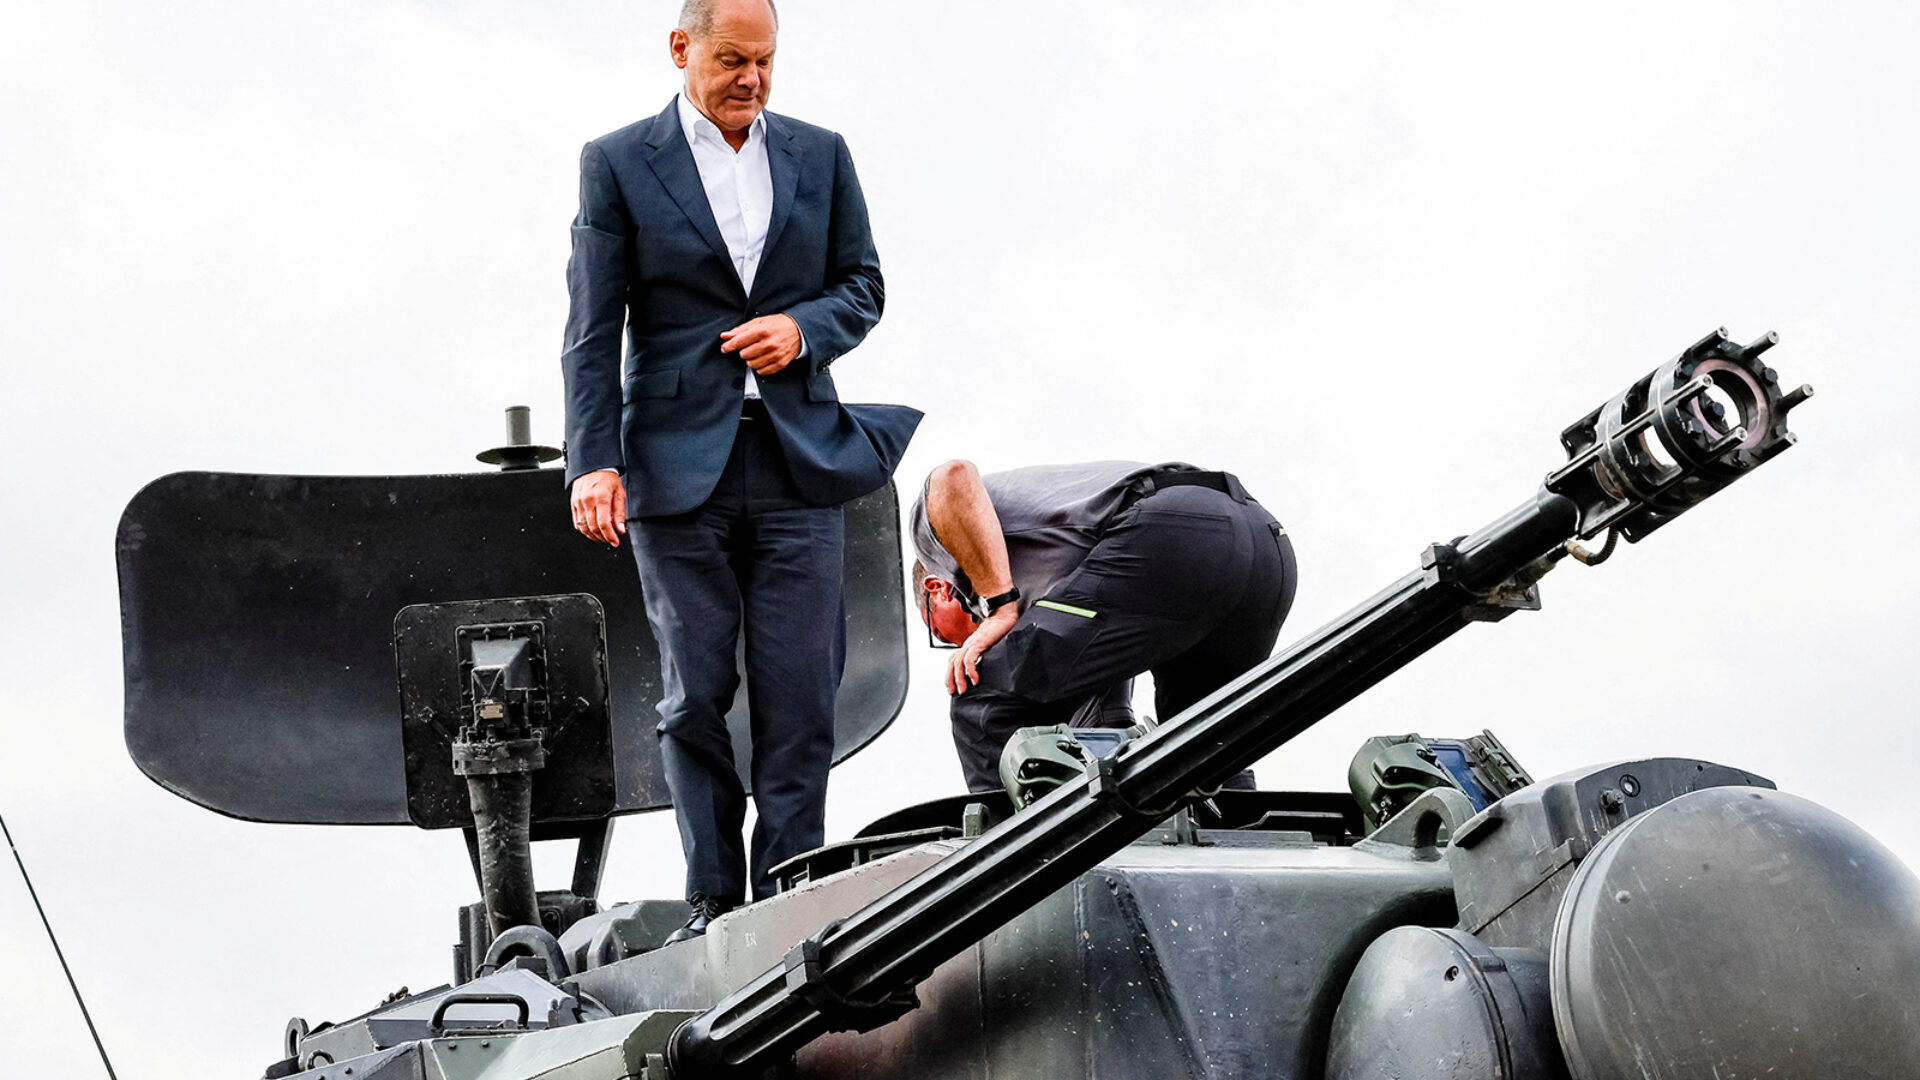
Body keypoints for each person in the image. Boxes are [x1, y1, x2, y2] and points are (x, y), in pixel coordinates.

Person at [560, 0, 916, 942]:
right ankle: (715, 898)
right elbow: (591, 330)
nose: (750, 79)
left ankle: (791, 894)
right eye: (730, 59)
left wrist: (803, 329)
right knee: (695, 695)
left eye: (765, 61)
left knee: (803, 695)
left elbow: (863, 286)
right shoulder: (617, 161)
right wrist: (592, 463)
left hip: (798, 460)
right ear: (682, 48)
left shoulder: (821, 154)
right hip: (675, 470)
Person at [911, 460, 1298, 793]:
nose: (961, 645)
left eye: (942, 634)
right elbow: (1098, 659)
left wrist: (998, 607)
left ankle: (1011, 850)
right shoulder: (1060, 578)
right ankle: (1236, 829)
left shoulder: (942, 543)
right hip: (1266, 545)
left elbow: (952, 476)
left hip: (1169, 527)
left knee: (983, 693)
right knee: (1202, 745)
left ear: (937, 590)